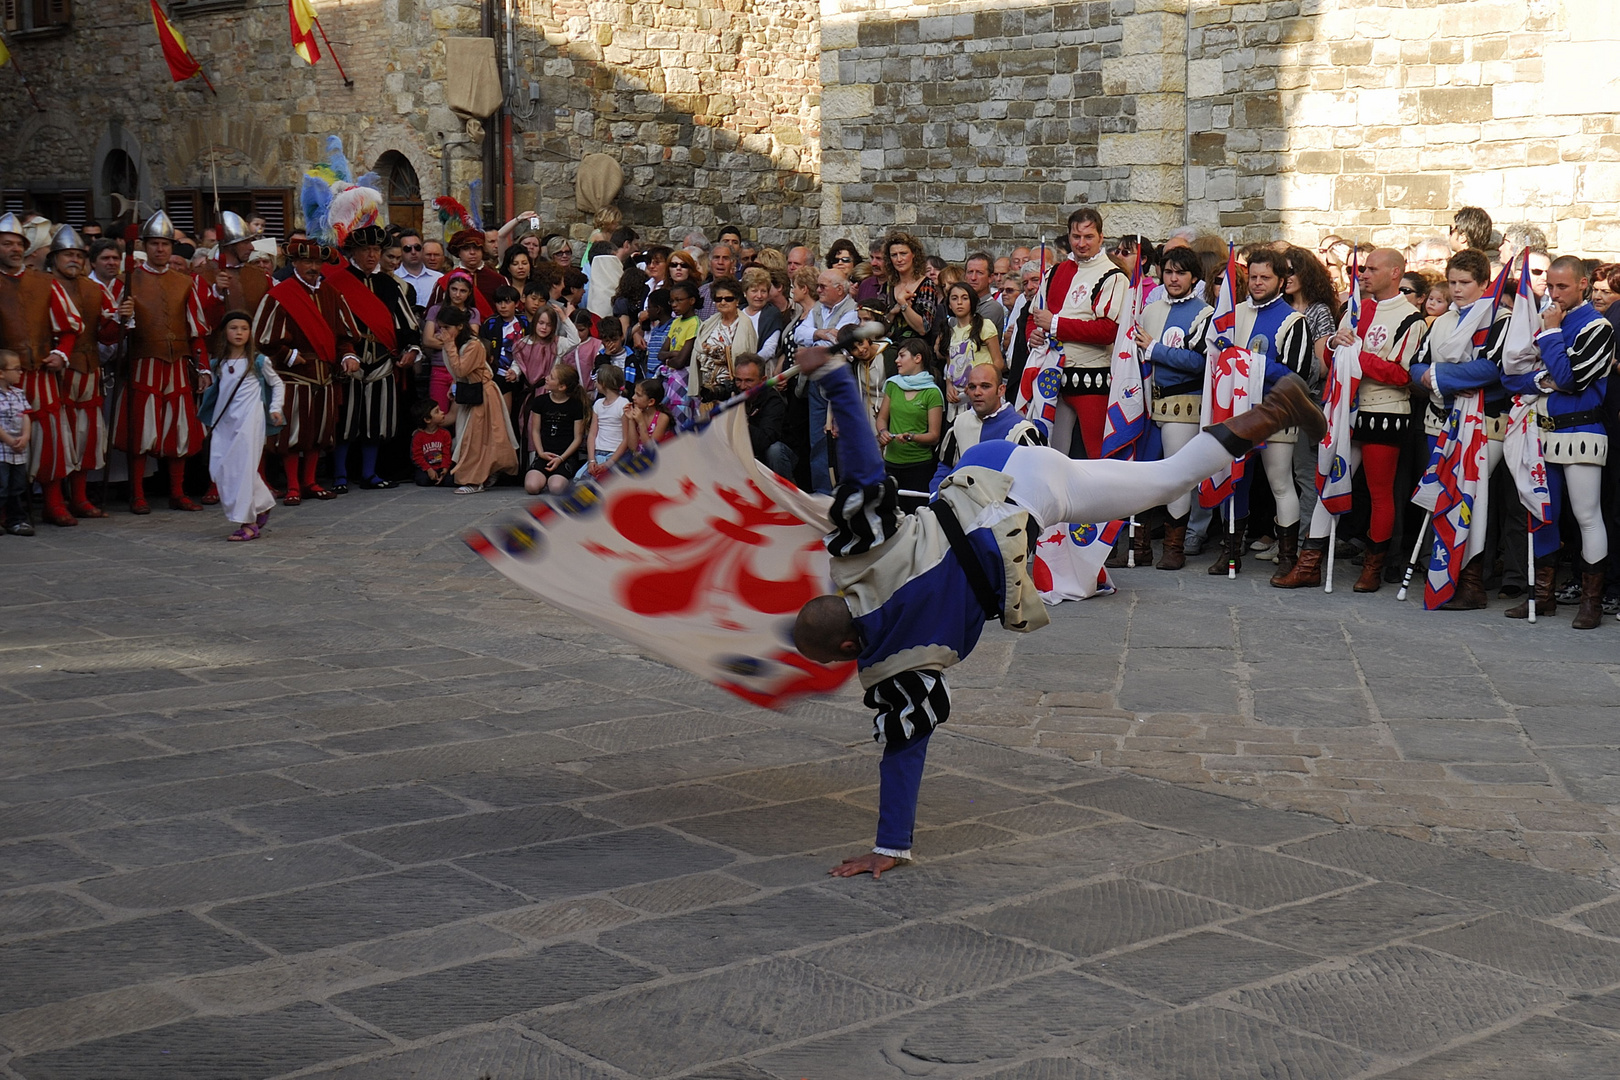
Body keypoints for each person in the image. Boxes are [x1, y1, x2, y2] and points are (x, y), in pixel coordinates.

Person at [791, 343, 1327, 877]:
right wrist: (835, 377)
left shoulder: (898, 665)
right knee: (1166, 475)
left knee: (1168, 479)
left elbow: (904, 749)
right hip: (989, 462)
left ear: (847, 648)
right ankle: (1278, 405)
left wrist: (889, 846)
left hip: (1033, 494)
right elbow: (861, 467)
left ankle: (1277, 410)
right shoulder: (860, 556)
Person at [1276, 248, 1428, 591]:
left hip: (1384, 412)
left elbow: (1402, 374)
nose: (1363, 274)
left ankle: (1373, 567)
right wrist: (1334, 342)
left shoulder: (1410, 318)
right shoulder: (1356, 309)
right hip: (1345, 408)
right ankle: (1309, 563)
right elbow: (1333, 356)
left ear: (1393, 273)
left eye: (1372, 269)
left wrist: (1358, 355)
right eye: (1362, 268)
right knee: (1328, 479)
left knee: (1378, 491)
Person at [1501, 256, 1613, 628]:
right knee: (1541, 512)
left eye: (1562, 286)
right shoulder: (1543, 317)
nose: (1554, 293)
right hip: (1540, 429)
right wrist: (1542, 380)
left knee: (1586, 514)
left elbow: (1572, 378)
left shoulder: (1596, 326)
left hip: (1581, 429)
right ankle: (1543, 596)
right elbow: (1512, 376)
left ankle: (1590, 602)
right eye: (1550, 286)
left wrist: (1550, 337)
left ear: (1582, 284)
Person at [1406, 248, 1510, 610]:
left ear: (1484, 283)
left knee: (1470, 500)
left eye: (1465, 283)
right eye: (1452, 283)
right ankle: (1446, 577)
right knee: (1444, 499)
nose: (1457, 290)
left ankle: (1471, 583)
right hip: (1442, 420)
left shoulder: (1499, 319)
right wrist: (1435, 377)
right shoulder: (1443, 321)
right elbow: (1415, 368)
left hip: (1485, 424)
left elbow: (1493, 370)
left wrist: (1437, 376)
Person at [110, 211, 213, 514]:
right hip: (144, 363)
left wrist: (203, 367)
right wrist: (121, 317)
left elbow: (197, 333)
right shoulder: (126, 281)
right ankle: (138, 494)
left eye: (165, 244)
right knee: (141, 431)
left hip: (179, 365)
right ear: (145, 245)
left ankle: (178, 492)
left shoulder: (185, 282)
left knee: (179, 430)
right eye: (154, 244)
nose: (160, 249)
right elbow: (109, 334)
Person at [1225, 247, 1313, 581]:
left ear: (1281, 280)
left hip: (1276, 412)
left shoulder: (1294, 321)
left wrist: (1252, 361)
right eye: (1253, 276)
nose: (1257, 283)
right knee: (1234, 482)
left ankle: (1289, 557)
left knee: (1279, 483)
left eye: (1265, 278)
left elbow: (1297, 376)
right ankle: (1230, 554)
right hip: (1237, 411)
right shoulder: (1234, 313)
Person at [255, 236, 363, 506]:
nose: (313, 266)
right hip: (294, 375)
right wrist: (290, 356)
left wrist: (348, 355)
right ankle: (292, 485)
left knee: (319, 432)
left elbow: (345, 335)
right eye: (307, 261)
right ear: (294, 263)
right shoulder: (281, 295)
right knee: (293, 434)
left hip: (325, 374)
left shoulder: (331, 294)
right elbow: (264, 339)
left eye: (317, 261)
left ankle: (311, 482)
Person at [1133, 245, 1212, 569]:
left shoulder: (1204, 313)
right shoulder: (1150, 309)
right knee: (1142, 473)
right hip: (1150, 401)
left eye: (1180, 272)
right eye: (1168, 271)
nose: (1174, 278)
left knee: (1177, 474)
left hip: (1183, 402)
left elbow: (1199, 361)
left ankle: (1173, 548)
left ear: (1194, 277)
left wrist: (1156, 349)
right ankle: (1139, 546)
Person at [1029, 207, 1129, 459]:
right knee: (1050, 452)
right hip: (1053, 376)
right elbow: (1034, 316)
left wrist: (1055, 325)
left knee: (1098, 454)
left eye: (1088, 237)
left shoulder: (1113, 277)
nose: (1081, 243)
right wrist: (1034, 334)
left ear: (1101, 238)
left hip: (1091, 378)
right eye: (1076, 237)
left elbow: (1108, 330)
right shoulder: (1055, 272)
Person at [331, 223, 421, 492]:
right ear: (354, 252)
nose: (371, 255)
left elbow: (407, 324)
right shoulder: (337, 284)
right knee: (345, 422)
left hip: (382, 360)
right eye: (365, 250)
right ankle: (339, 476)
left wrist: (411, 350)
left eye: (375, 250)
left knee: (376, 422)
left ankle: (370, 473)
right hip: (350, 359)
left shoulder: (390, 285)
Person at [45, 225, 119, 520]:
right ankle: (53, 502)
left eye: (78, 255)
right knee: (55, 438)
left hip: (89, 369)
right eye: (67, 255)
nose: (73, 259)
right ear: (54, 258)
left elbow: (106, 335)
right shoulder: (41, 285)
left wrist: (121, 320)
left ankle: (79, 498)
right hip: (53, 372)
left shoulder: (94, 289)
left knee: (85, 436)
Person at [202, 312, 284, 541]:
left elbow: (277, 383)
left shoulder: (257, 361)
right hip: (224, 421)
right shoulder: (218, 362)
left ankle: (248, 522)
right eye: (233, 328)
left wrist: (275, 408)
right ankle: (263, 503)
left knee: (243, 469)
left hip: (250, 420)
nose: (239, 333)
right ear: (224, 332)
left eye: (244, 328)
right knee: (219, 467)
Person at [436, 305, 517, 493]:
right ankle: (485, 473)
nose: (444, 332)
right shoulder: (458, 344)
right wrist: (454, 385)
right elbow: (461, 373)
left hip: (483, 395)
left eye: (447, 327)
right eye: (441, 328)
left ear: (460, 326)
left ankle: (475, 480)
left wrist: (448, 345)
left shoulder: (473, 345)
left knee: (477, 439)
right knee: (471, 437)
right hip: (470, 392)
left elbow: (461, 369)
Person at [793, 269, 859, 494]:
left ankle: (843, 492)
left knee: (841, 438)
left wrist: (818, 336)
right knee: (818, 440)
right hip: (816, 382)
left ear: (839, 289)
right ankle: (821, 492)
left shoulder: (852, 311)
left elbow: (838, 342)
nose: (817, 290)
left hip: (839, 381)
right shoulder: (819, 309)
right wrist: (820, 333)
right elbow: (799, 334)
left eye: (823, 286)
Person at [930, 362, 1043, 491]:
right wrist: (936, 495)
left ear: (1001, 390)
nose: (977, 392)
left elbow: (1034, 483)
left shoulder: (1021, 431)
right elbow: (945, 467)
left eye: (985, 386)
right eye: (972, 387)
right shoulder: (959, 423)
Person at [878, 338, 944, 497]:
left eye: (902, 356)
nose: (896, 360)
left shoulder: (932, 392)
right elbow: (881, 418)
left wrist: (911, 437)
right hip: (891, 463)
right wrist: (883, 432)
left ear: (917, 358)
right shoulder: (892, 385)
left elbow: (934, 436)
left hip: (919, 466)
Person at [936, 282, 1003, 421]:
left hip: (981, 393)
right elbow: (950, 366)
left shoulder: (984, 326)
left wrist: (980, 383)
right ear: (949, 304)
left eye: (964, 298)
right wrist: (949, 385)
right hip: (959, 397)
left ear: (972, 302)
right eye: (954, 298)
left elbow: (998, 362)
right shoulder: (949, 331)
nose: (959, 302)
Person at [691, 277, 755, 409]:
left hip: (732, 387)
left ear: (737, 300)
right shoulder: (708, 323)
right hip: (708, 386)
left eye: (728, 298)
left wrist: (719, 353)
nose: (723, 302)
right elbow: (698, 349)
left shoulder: (745, 324)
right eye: (718, 299)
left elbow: (749, 355)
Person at [523, 363, 587, 495]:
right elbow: (535, 430)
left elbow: (578, 438)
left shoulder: (575, 405)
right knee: (531, 486)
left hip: (565, 456)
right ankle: (544, 478)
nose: (546, 378)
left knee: (556, 488)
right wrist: (540, 453)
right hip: (544, 453)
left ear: (562, 387)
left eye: (551, 377)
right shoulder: (540, 401)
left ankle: (562, 478)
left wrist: (561, 458)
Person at [422, 271, 478, 413]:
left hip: (463, 370)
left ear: (469, 293)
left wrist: (443, 339)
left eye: (463, 290)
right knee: (438, 411)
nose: (457, 294)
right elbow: (427, 340)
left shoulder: (472, 313)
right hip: (439, 368)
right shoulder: (435, 310)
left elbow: (470, 342)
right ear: (448, 290)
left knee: (461, 414)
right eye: (454, 289)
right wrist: (455, 342)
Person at [731, 353, 795, 478]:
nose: (742, 386)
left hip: (779, 456)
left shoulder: (773, 401)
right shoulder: (734, 393)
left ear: (763, 380)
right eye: (738, 380)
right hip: (747, 454)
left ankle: (782, 494)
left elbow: (765, 441)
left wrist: (741, 420)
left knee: (774, 451)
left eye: (749, 380)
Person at [0, 349, 32, 535]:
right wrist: (9, 440)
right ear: (2, 372)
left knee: (17, 486)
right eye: (16, 368)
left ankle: (16, 520)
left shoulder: (19, 394)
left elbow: (25, 415)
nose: (20, 372)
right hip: (3, 449)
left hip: (18, 451)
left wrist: (25, 436)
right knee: (2, 486)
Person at [578, 363, 628, 478]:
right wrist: (591, 460)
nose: (594, 383)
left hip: (615, 454)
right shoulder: (598, 404)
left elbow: (626, 439)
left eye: (597, 381)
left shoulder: (623, 404)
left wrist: (609, 463)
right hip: (597, 453)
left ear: (604, 384)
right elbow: (592, 435)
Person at [411, 401, 454, 487]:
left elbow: (447, 453)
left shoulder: (445, 434)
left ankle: (440, 478)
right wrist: (428, 469)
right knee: (422, 480)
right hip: (426, 468)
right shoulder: (418, 436)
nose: (442, 412)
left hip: (441, 467)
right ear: (427, 419)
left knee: (451, 480)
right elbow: (416, 456)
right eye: (437, 411)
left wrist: (445, 468)